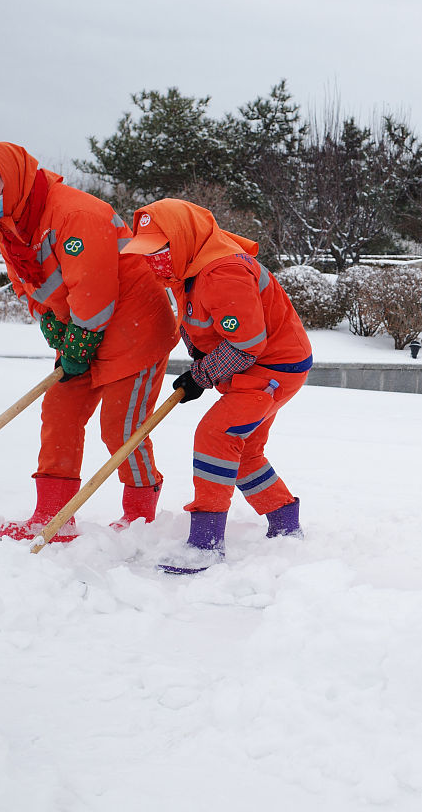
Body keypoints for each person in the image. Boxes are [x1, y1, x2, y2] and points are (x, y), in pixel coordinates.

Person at [0, 142, 177, 542]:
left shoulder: (75, 214)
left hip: (134, 327)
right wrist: (48, 321)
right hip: (81, 327)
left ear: (16, 181)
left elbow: (93, 287)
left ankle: (140, 519)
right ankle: (51, 515)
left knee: (121, 428)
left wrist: (80, 338)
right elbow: (28, 283)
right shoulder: (9, 225)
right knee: (59, 412)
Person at [119, 199, 312, 574]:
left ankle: (205, 544)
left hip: (273, 367)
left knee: (216, 435)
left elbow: (247, 343)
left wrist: (201, 376)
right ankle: (285, 524)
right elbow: (201, 324)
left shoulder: (223, 272)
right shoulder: (187, 268)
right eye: (147, 251)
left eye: (159, 249)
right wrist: (200, 364)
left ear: (181, 240)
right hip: (256, 366)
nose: (153, 259)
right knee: (241, 452)